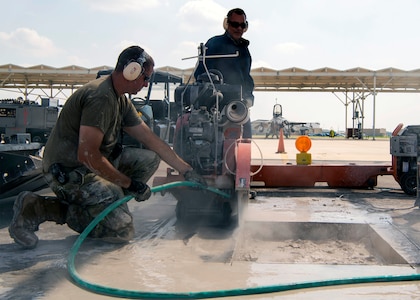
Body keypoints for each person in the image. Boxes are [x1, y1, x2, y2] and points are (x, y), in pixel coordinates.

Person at [9, 45, 206, 249]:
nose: (146, 84)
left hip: (89, 165)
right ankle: (37, 208)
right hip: (69, 172)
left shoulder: (119, 99)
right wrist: (129, 184)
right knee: (122, 230)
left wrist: (187, 170)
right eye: (145, 78)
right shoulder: (101, 97)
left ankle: (107, 203)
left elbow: (151, 140)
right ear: (132, 71)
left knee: (149, 159)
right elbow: (88, 155)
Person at [194, 7, 254, 138]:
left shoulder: (244, 51)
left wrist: (249, 97)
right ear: (227, 24)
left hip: (237, 105)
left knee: (246, 138)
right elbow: (200, 74)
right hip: (214, 105)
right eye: (235, 24)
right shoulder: (214, 44)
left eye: (242, 25)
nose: (239, 28)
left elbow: (246, 78)